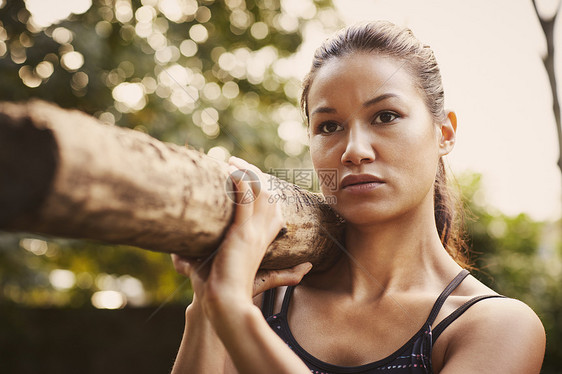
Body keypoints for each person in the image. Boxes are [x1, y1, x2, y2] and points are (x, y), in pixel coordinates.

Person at [170, 21, 546, 373]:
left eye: (385, 116)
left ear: (444, 132)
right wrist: (206, 305)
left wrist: (233, 313)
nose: (355, 150)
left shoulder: (494, 326)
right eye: (329, 126)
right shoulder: (263, 297)